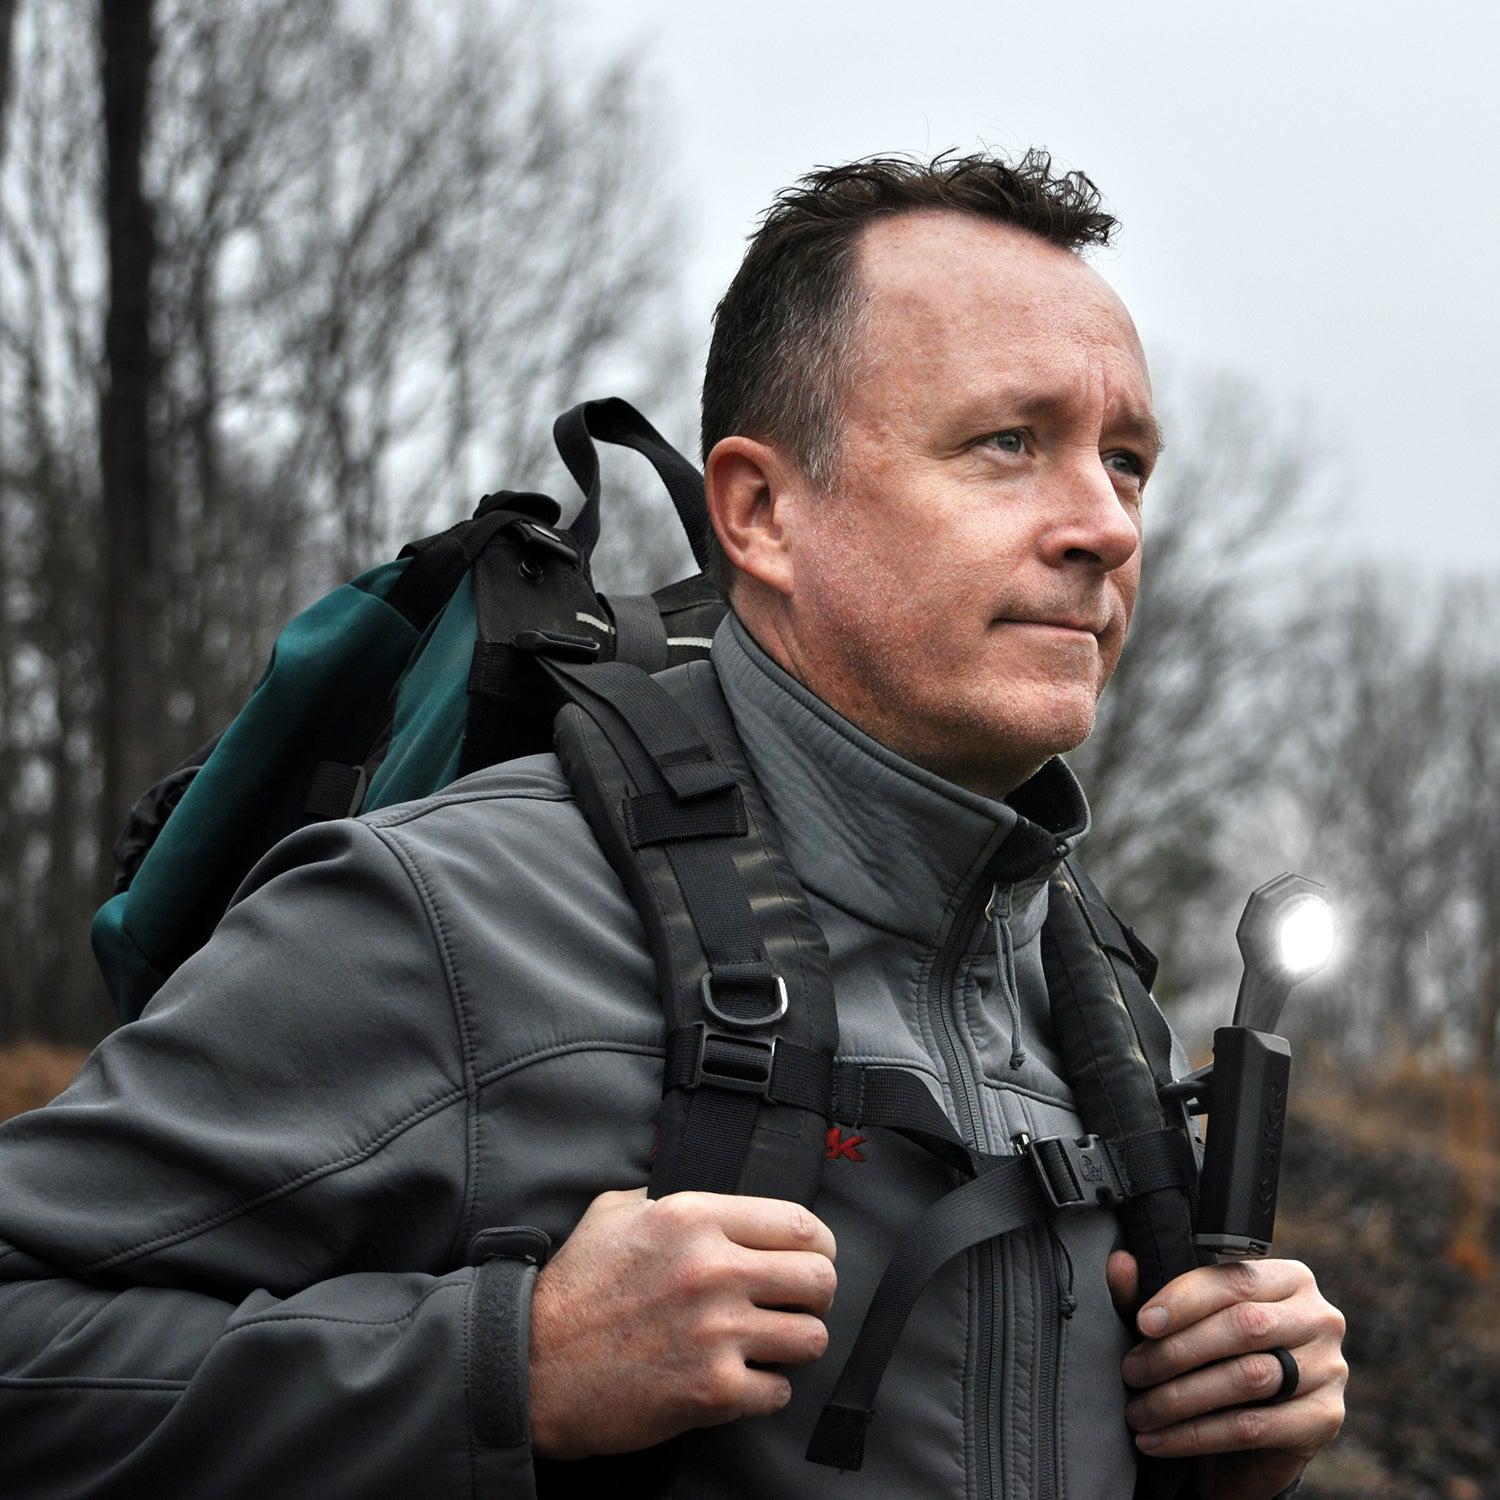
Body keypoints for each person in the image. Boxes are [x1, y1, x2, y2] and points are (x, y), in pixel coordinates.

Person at [0, 152, 1346, 1499]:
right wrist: (506, 1367)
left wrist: (1221, 1446)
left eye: (1127, 463)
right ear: (759, 510)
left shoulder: (1096, 1003)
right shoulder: (455, 916)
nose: (1105, 528)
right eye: (1009, 444)